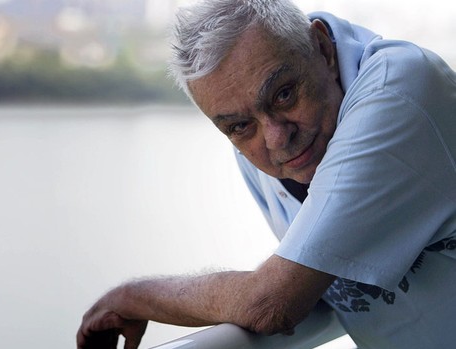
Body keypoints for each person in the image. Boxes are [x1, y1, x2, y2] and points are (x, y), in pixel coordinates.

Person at [76, 0, 456, 347]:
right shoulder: (259, 152)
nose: (276, 138)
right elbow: (309, 278)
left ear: (322, 48)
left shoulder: (399, 94)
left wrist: (131, 298)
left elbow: (273, 303)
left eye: (284, 94)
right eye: (239, 126)